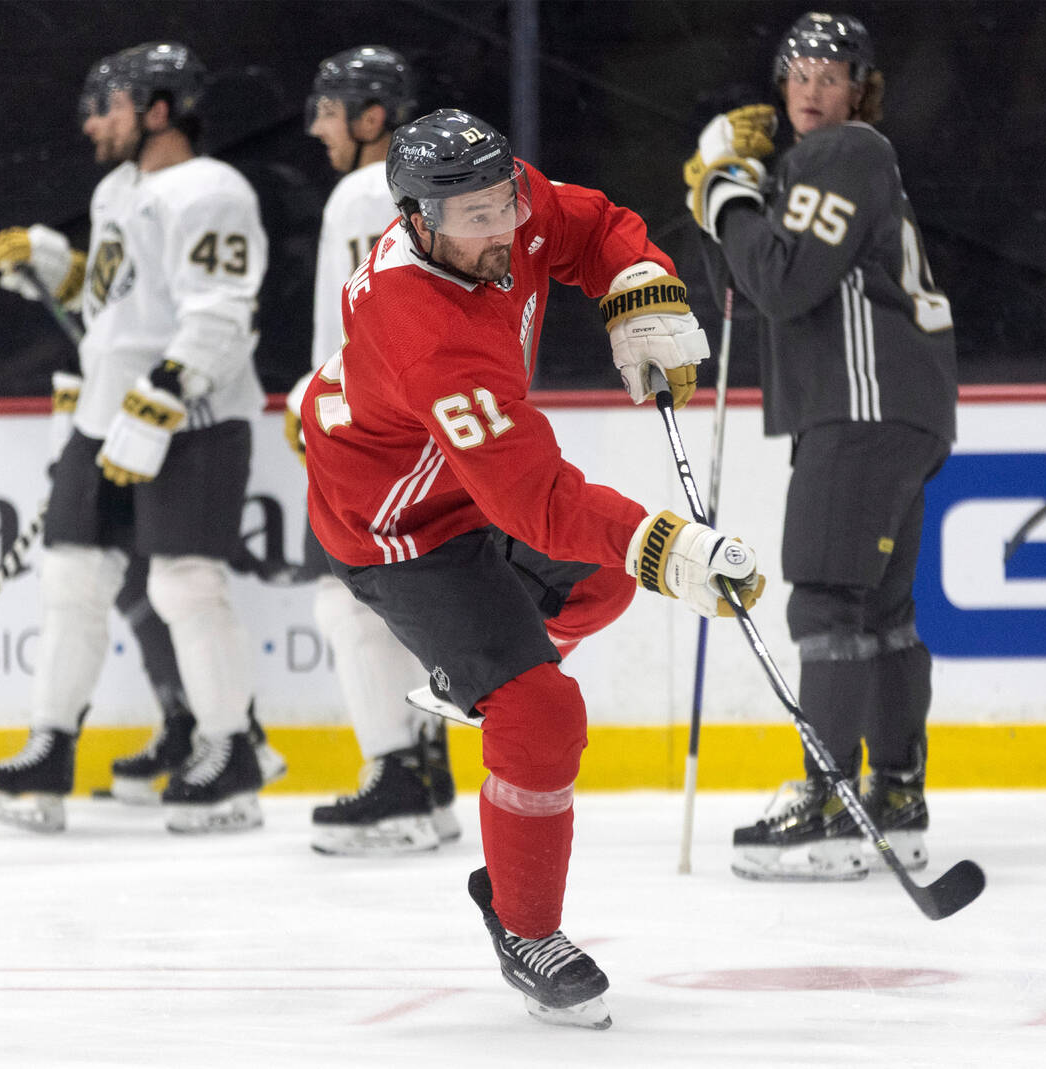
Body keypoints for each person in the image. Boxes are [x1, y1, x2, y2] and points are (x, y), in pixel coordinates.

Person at [301, 107, 764, 1028]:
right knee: (543, 711)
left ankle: (472, 669)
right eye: (470, 218)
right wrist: (673, 548)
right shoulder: (425, 327)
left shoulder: (505, 208)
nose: (499, 230)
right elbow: (533, 498)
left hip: (463, 477)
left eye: (503, 201)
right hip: (399, 523)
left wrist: (640, 287)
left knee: (599, 580)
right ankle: (524, 924)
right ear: (418, 220)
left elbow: (591, 226)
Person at [0, 41, 275, 834]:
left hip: (193, 419)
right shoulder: (116, 191)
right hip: (106, 413)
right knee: (72, 577)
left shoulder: (211, 190)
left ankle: (231, 749)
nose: (92, 123)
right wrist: (56, 266)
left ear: (160, 109)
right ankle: (50, 750)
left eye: (108, 105)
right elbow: (122, 299)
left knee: (183, 583)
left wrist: (161, 397)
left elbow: (219, 311)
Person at [685, 12, 957, 881]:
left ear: (860, 87)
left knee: (829, 604)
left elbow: (783, 279)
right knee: (878, 613)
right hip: (892, 408)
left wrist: (726, 191)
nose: (810, 88)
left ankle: (831, 801)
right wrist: (738, 203)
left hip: (862, 404)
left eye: (831, 73)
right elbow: (754, 279)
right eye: (797, 71)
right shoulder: (824, 166)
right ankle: (896, 796)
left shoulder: (846, 152)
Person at [285, 45, 458, 855]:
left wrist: (315, 403)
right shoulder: (451, 187)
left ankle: (396, 781)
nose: (317, 126)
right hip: (444, 425)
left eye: (330, 108)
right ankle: (428, 775)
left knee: (347, 598)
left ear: (373, 117)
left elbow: (351, 331)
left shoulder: (363, 192)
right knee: (414, 598)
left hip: (378, 428)